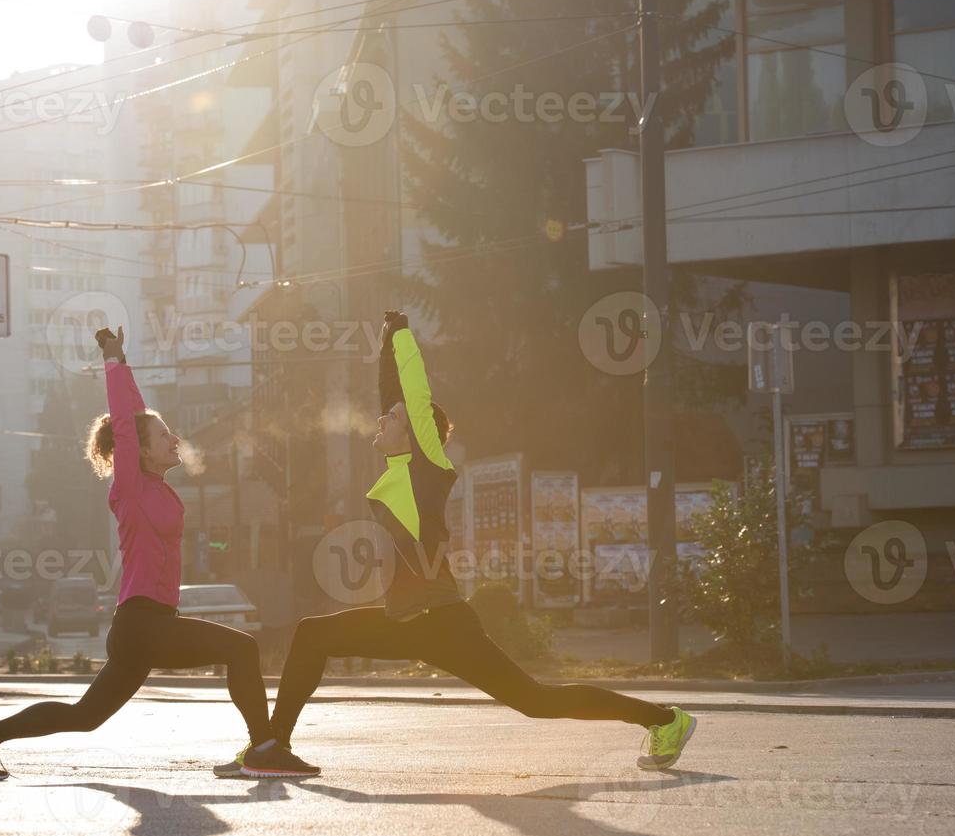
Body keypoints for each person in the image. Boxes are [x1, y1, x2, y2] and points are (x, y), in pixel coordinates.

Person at [221, 311, 695, 776]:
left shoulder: (428, 469)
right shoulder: (400, 470)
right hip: (408, 620)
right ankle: (271, 745)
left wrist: (403, 335)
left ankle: (664, 720)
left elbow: (413, 394)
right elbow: (395, 395)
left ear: (418, 431)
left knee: (535, 701)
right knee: (312, 634)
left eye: (391, 418)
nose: (379, 421)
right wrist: (385, 345)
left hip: (442, 622)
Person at [0, 325, 315, 781]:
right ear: (138, 450)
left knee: (84, 716)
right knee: (242, 649)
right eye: (164, 435)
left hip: (148, 625)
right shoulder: (130, 487)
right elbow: (127, 418)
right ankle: (264, 748)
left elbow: (138, 429)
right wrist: (114, 358)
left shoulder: (159, 490)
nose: (175, 440)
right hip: (144, 623)